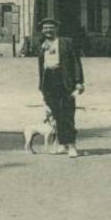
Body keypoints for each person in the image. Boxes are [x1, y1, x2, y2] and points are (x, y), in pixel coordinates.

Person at [37, 17, 84, 157]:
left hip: (64, 80)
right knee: (56, 114)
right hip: (48, 81)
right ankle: (63, 144)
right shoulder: (42, 45)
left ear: (56, 29)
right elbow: (41, 67)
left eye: (51, 28)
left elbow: (76, 62)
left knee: (67, 113)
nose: (48, 31)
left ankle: (72, 146)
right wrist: (41, 86)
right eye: (45, 28)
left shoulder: (66, 42)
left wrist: (79, 81)